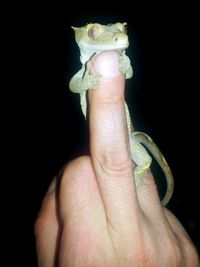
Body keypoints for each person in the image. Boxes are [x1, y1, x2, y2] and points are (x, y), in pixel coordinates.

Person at [35, 51, 199, 266]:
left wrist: (124, 62)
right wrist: (87, 80)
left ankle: (141, 176)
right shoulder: (82, 71)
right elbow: (74, 86)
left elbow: (128, 71)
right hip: (115, 135)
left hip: (126, 136)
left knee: (145, 161)